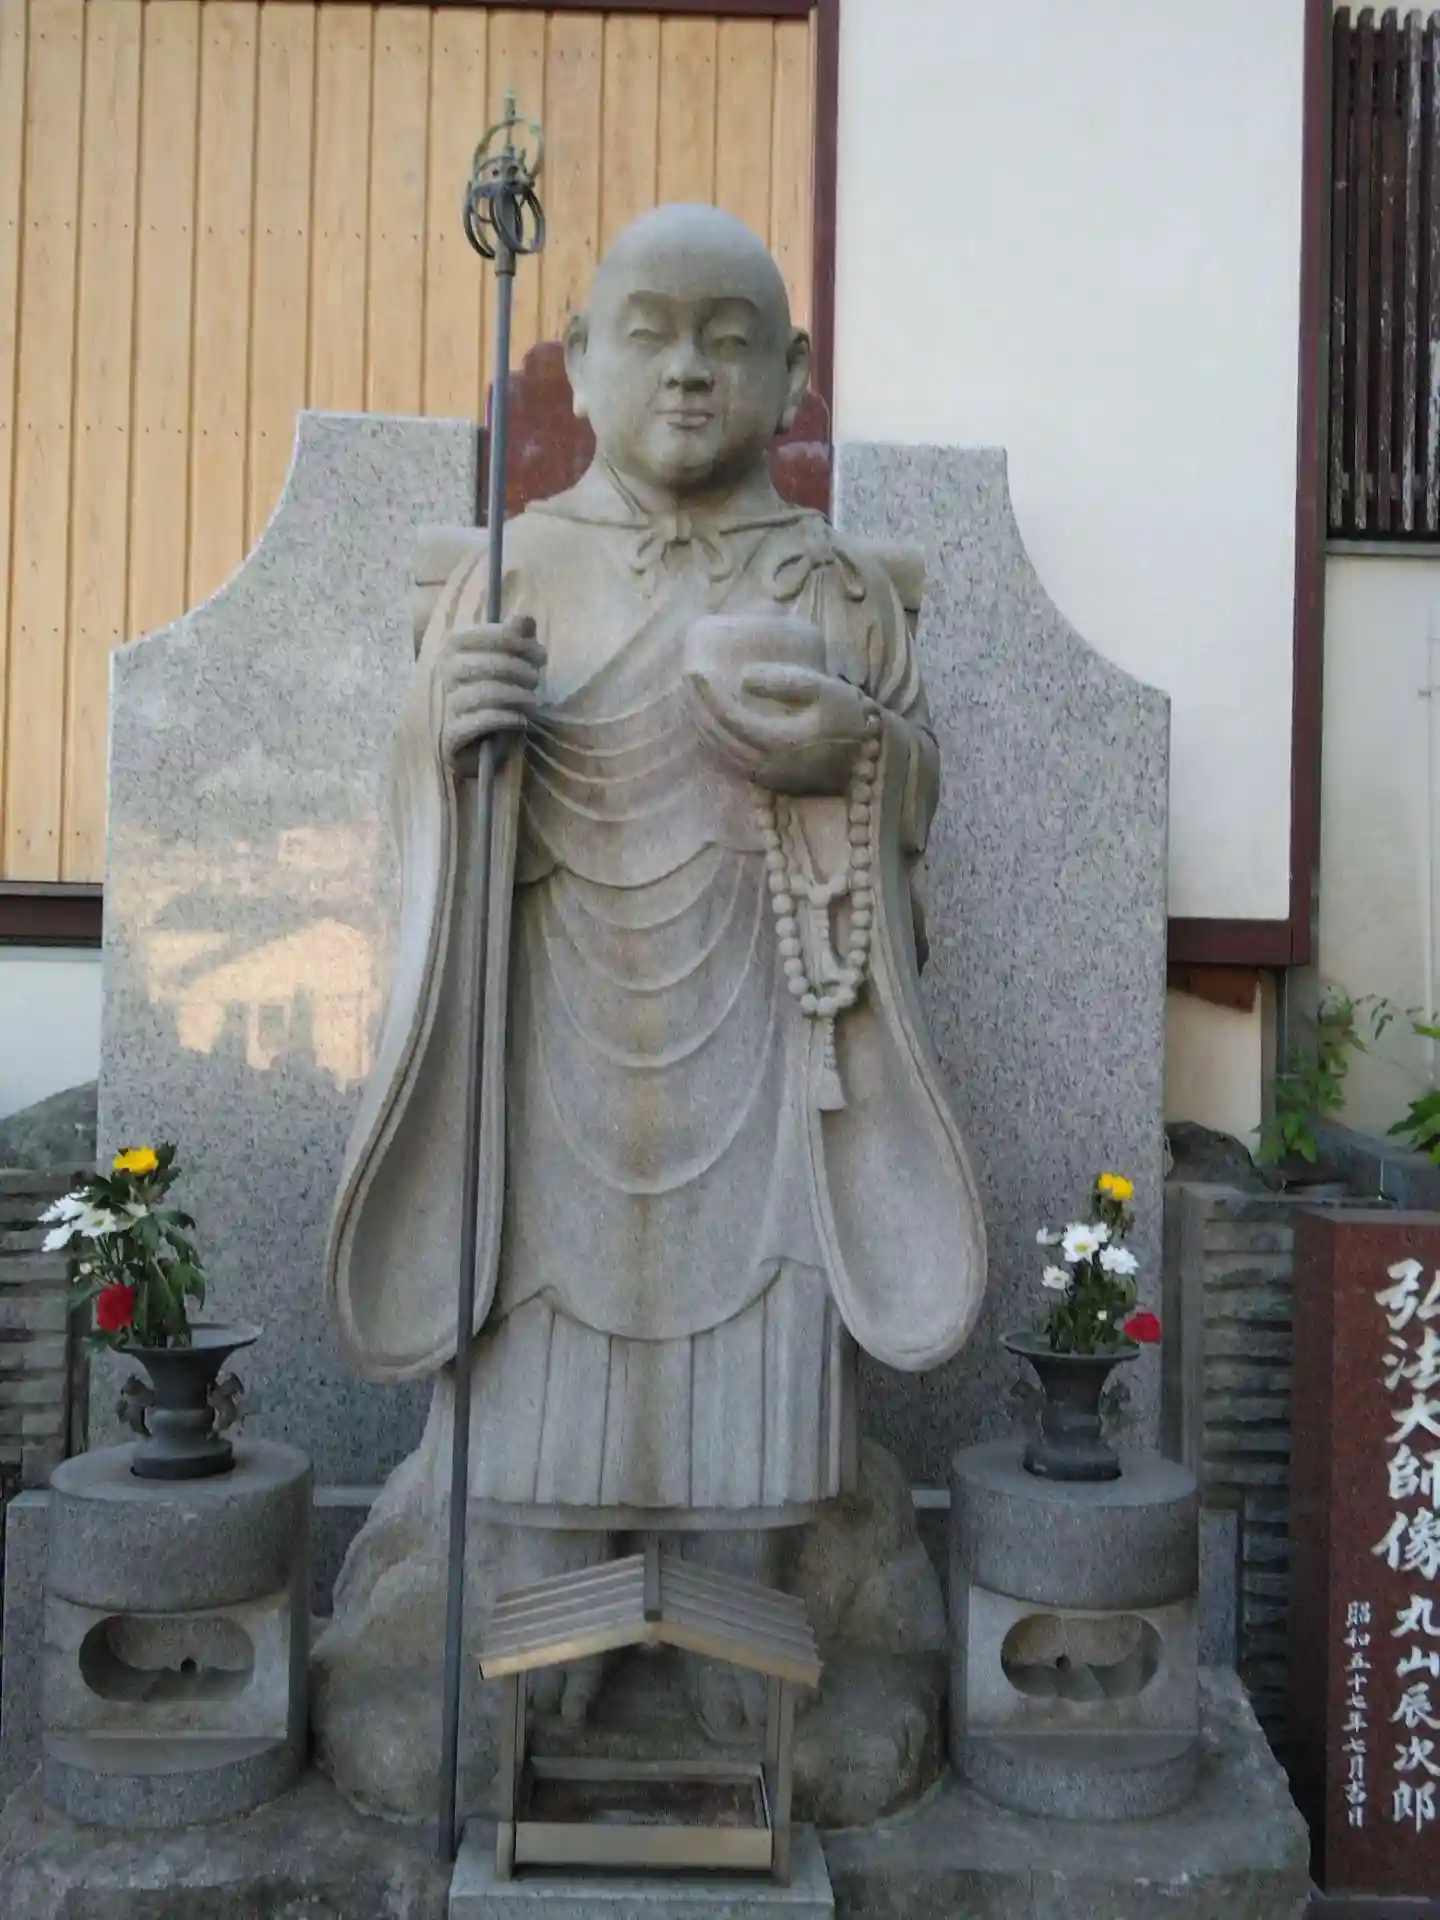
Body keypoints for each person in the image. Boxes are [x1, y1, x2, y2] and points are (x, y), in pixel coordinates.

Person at [314, 203, 984, 1811]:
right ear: (576, 360)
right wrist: (443, 739)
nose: (691, 371)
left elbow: (914, 801)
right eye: (653, 335)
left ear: (793, 374)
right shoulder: (514, 568)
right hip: (553, 1047)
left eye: (730, 341)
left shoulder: (835, 589)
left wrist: (857, 757)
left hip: (773, 1047)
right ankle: (535, 1617)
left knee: (764, 1335)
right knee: (544, 1345)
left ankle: (749, 1624)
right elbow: (418, 822)